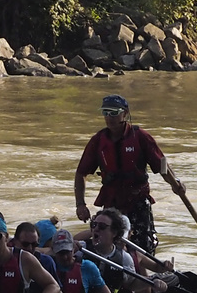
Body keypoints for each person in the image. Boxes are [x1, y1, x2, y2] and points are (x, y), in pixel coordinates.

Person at [74, 94, 184, 251]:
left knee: (143, 246)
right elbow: (81, 173)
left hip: (137, 201)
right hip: (112, 203)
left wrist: (176, 183)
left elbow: (162, 165)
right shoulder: (98, 141)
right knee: (107, 243)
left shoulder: (140, 137)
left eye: (114, 112)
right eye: (105, 112)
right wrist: (80, 204)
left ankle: (143, 271)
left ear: (125, 113)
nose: (109, 117)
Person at [75, 206, 175, 293]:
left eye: (102, 227)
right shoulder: (80, 250)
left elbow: (131, 284)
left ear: (114, 233)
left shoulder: (124, 258)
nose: (96, 229)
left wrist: (152, 282)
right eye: (94, 225)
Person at [46, 230, 112, 293]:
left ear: (74, 248)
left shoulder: (88, 267)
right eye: (60, 253)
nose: (65, 257)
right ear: (53, 250)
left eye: (67, 252)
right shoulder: (46, 265)